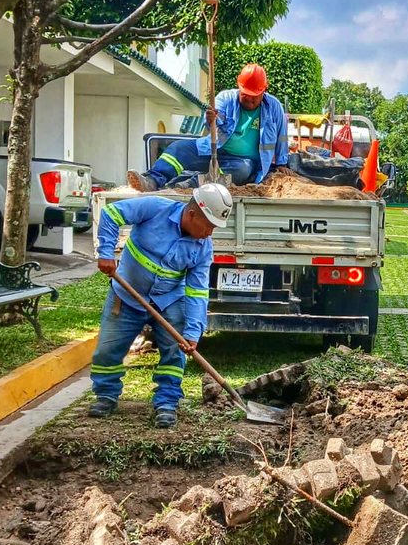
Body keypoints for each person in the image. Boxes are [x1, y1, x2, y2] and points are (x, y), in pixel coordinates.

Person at [89, 184, 233, 428]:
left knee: (175, 351)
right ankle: (106, 396)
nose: (210, 233)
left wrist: (192, 332)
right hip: (125, 296)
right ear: (192, 214)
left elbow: (198, 292)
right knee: (107, 351)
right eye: (208, 225)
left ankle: (166, 403)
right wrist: (105, 252)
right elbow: (111, 214)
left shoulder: (202, 248)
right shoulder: (154, 208)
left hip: (168, 302)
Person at [127, 63, 289, 190]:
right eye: (245, 96)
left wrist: (281, 163)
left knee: (242, 171)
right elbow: (214, 121)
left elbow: (281, 136)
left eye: (254, 97)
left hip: (243, 162)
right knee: (178, 148)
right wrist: (211, 119)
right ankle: (152, 180)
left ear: (264, 91)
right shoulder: (225, 98)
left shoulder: (274, 107)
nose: (249, 101)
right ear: (239, 87)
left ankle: (193, 184)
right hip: (213, 151)